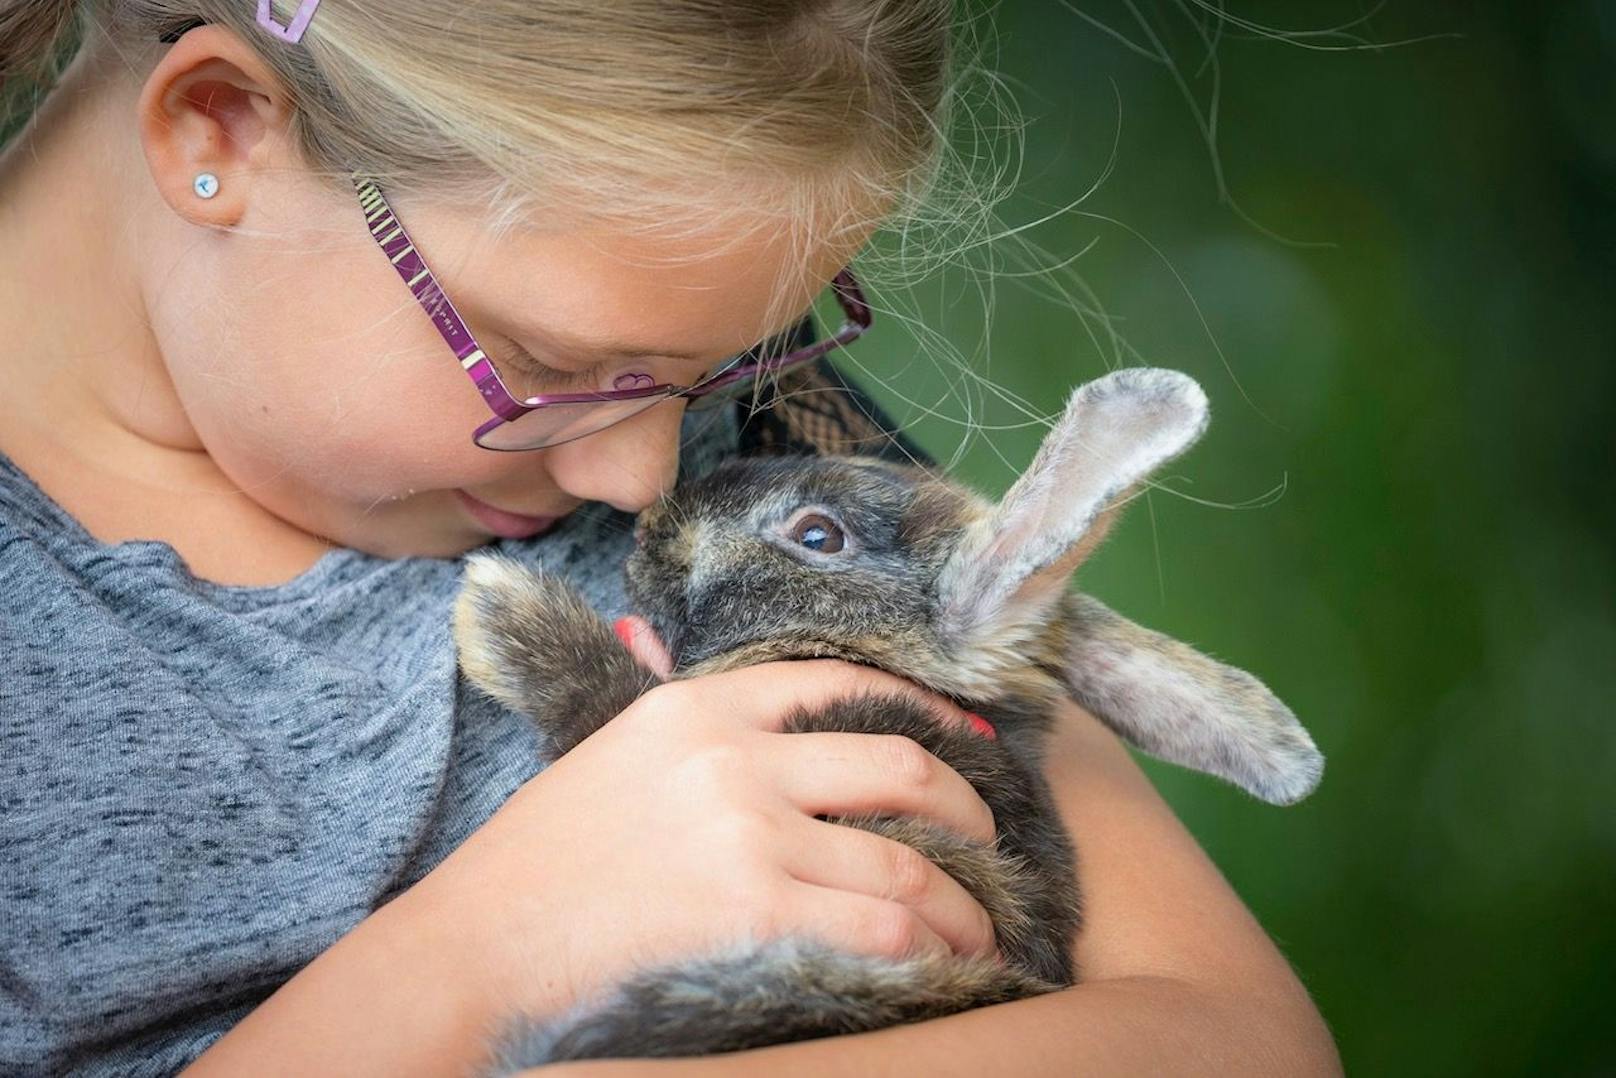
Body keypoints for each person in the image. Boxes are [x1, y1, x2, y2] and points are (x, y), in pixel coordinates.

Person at [0, 2, 1340, 1074]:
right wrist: (490, 952)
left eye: (719, 368)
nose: (644, 474)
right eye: (546, 361)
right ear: (217, 127)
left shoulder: (749, 464)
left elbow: (1233, 1036)